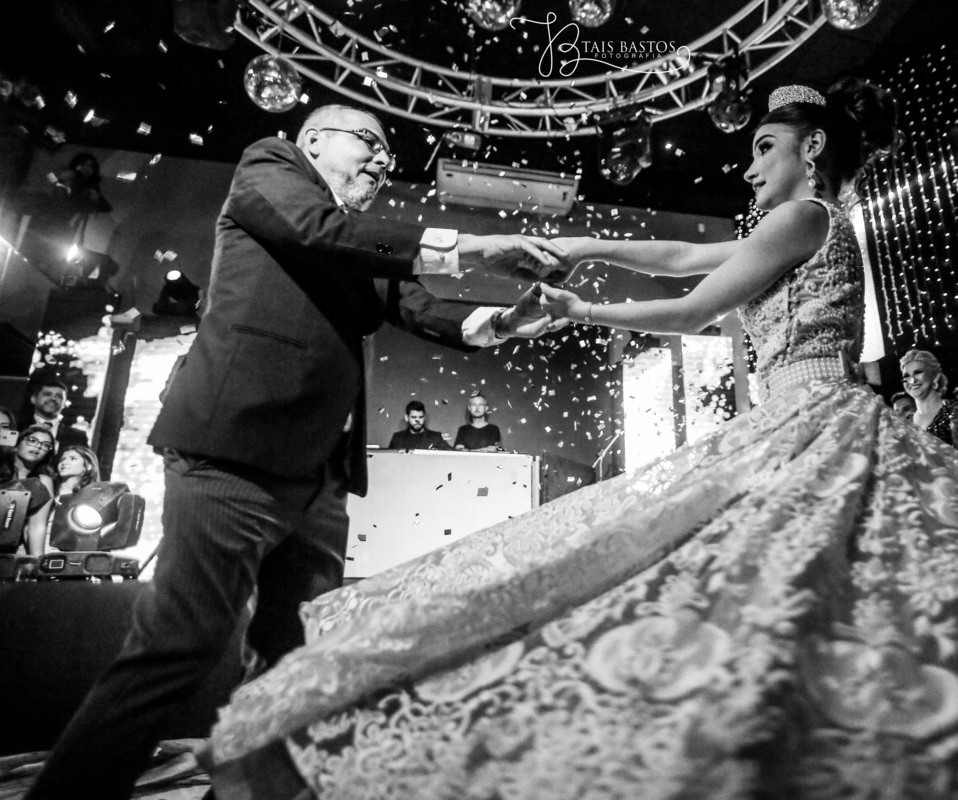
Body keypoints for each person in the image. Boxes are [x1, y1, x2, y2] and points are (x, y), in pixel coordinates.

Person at [205, 83, 958, 798]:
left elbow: (691, 302)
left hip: (820, 423)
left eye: (763, 145)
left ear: (811, 150)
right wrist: (578, 255)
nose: (748, 163)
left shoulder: (808, 214)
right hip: (788, 423)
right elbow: (684, 254)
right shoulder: (793, 220)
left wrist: (580, 297)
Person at [26, 103, 570, 800]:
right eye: (370, 143)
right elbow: (317, 231)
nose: (382, 162)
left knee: (293, 663)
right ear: (315, 140)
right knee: (180, 645)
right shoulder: (272, 166)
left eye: (388, 157)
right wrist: (475, 246)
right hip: (233, 452)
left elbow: (417, 304)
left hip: (320, 479)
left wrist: (506, 320)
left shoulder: (356, 244)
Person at [898, 348, 958, 456]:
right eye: (906, 376)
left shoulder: (954, 409)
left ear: (935, 376)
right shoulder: (908, 422)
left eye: (918, 372)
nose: (912, 380)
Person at [0, 425, 55, 556]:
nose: (38, 446)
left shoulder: (42, 482)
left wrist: (38, 563)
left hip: (7, 553)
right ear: (16, 444)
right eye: (32, 440)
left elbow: (36, 527)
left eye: (46, 445)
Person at [17, 379, 88, 449]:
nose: (53, 398)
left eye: (59, 396)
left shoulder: (77, 436)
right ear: (33, 399)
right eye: (47, 394)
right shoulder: (17, 428)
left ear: (64, 404)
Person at [387, 400, 454, 451]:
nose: (417, 420)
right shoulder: (397, 438)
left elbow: (451, 455)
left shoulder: (436, 437)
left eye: (420, 417)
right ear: (406, 418)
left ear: (424, 417)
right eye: (414, 417)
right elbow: (389, 458)